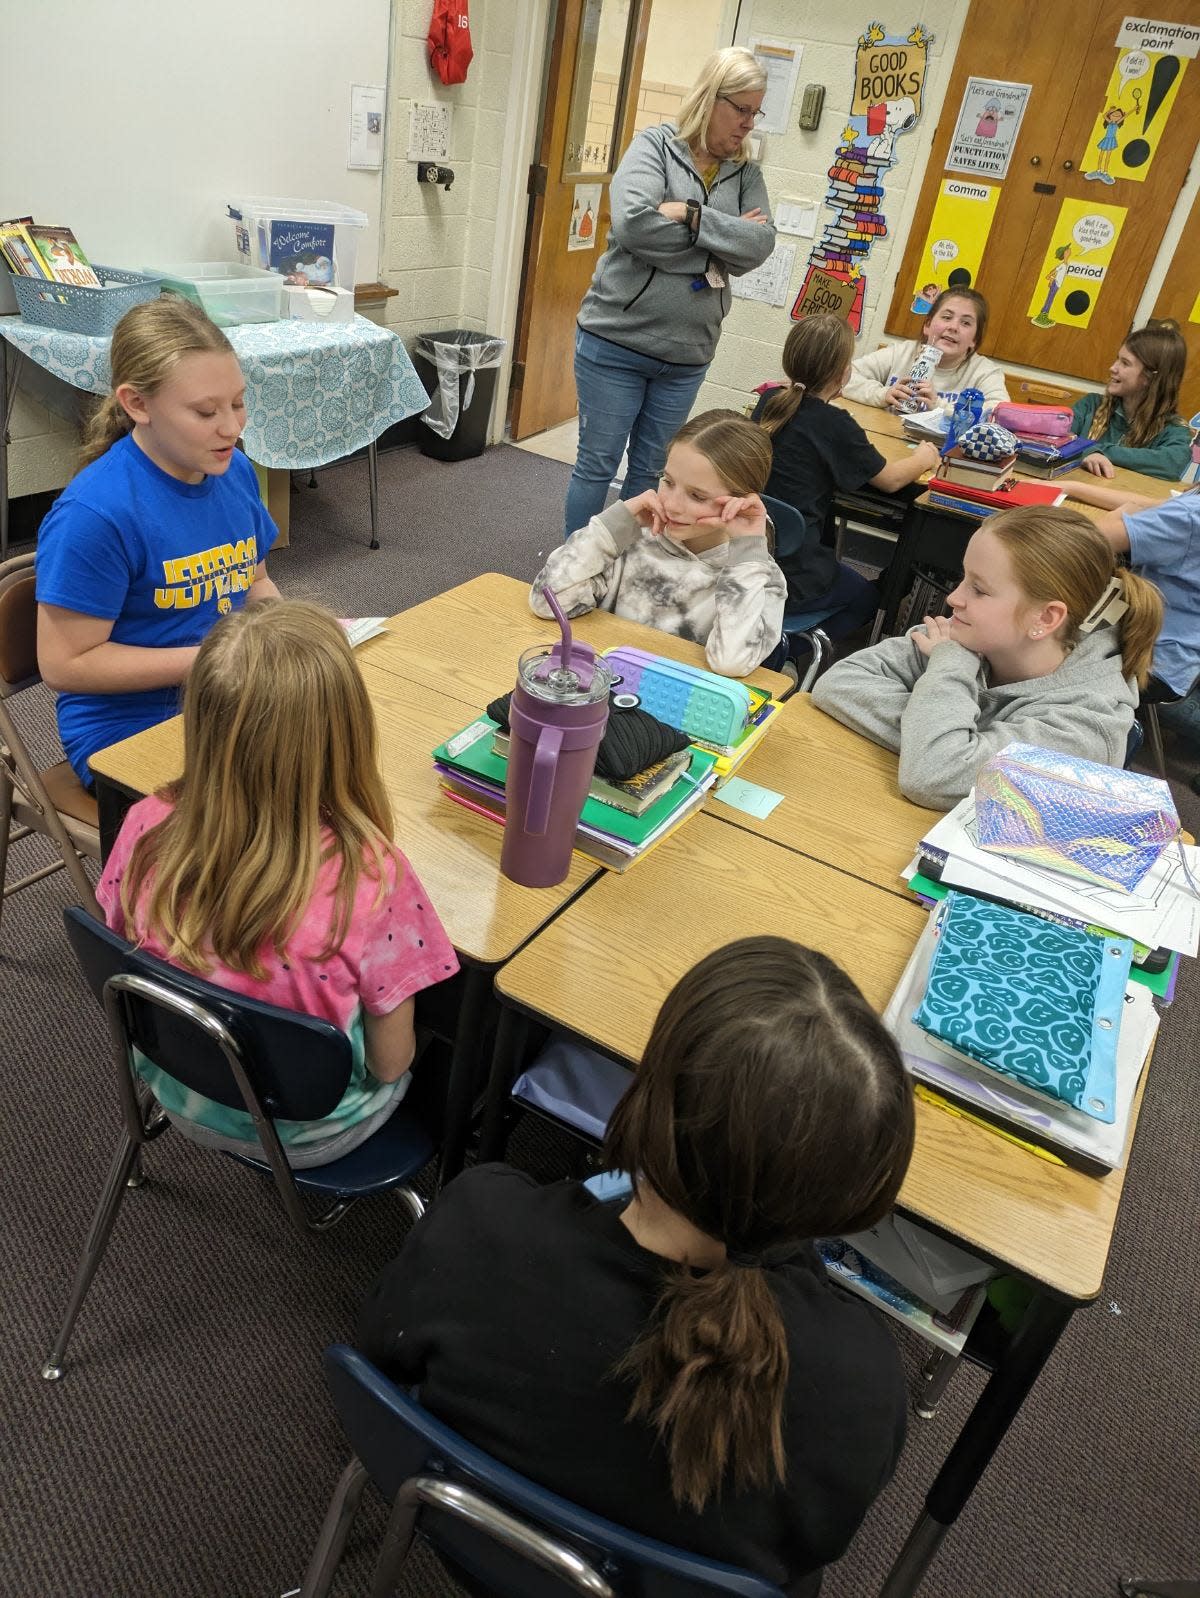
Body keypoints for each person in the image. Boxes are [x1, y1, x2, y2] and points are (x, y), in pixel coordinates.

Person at [358, 936, 914, 1596]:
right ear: (846, 1199)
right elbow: (818, 1543)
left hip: (468, 1543)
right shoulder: (860, 1384)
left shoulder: (478, 1223)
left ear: (649, 1091)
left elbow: (381, 1357)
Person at [95, 601, 460, 1168]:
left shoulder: (144, 824)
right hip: (313, 1133)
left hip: (174, 1087)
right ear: (347, 733)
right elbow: (390, 1065)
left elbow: (116, 940)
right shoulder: (372, 876)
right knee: (459, 1039)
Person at [36, 298, 280, 787]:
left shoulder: (233, 470)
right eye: (206, 411)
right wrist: (218, 660)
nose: (232, 427)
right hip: (128, 727)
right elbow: (65, 665)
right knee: (268, 811)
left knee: (346, 750)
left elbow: (255, 581)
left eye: (237, 402)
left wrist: (289, 634)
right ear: (137, 404)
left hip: (225, 693)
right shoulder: (95, 515)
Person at [811, 504, 1164, 809]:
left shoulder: (1084, 729)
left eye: (979, 590)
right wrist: (951, 746)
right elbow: (837, 683)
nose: (953, 599)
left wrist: (950, 669)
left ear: (1045, 618)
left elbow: (932, 775)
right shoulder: (968, 634)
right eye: (963, 578)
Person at [565, 47, 774, 536]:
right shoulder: (654, 148)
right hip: (616, 342)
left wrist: (692, 214)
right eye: (740, 109)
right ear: (709, 98)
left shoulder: (748, 174)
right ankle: (573, 566)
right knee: (596, 467)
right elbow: (637, 227)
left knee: (654, 478)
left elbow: (759, 246)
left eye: (755, 112)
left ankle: (635, 575)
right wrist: (722, 243)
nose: (748, 124)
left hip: (687, 355)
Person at [533, 408, 786, 677]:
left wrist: (746, 553)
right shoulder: (635, 540)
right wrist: (610, 528)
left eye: (697, 496)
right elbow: (547, 603)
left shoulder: (758, 577)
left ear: (742, 504)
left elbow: (731, 662)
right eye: (667, 481)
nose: (672, 505)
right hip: (601, 685)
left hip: (677, 700)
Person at [753, 313, 941, 638]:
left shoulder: (769, 401)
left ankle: (777, 641)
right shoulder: (836, 424)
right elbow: (892, 480)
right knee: (868, 596)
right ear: (843, 373)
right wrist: (925, 455)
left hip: (747, 556)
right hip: (793, 576)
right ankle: (784, 650)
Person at [1065, 481, 1200, 703]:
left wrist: (1120, 514)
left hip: (1143, 662)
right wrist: (1071, 487)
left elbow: (1088, 542)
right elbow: (1154, 505)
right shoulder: (1189, 510)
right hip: (1180, 661)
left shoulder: (1190, 515)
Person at [843, 287, 1009, 415]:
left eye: (965, 323)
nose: (953, 327)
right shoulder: (902, 353)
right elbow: (842, 376)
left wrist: (939, 407)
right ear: (927, 325)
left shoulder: (985, 372)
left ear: (974, 339)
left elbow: (999, 416)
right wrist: (883, 394)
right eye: (946, 317)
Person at [1070, 321, 1191, 482]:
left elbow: (1172, 463)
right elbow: (1057, 439)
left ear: (1150, 377)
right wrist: (1088, 453)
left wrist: (1098, 451)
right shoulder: (1090, 406)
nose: (1113, 368)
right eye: (1117, 359)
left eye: (1125, 363)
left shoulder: (1173, 429)